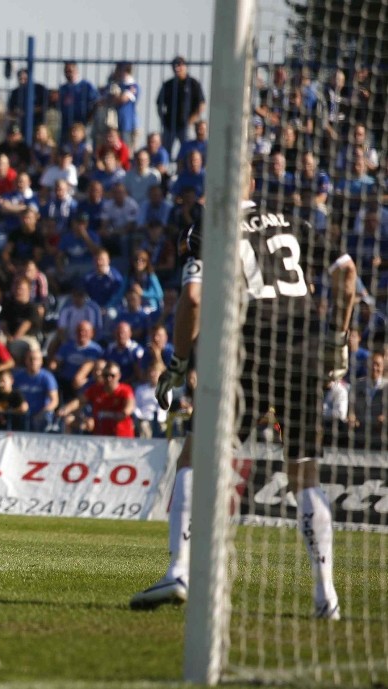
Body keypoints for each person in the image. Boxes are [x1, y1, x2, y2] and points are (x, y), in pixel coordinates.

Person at [130, 181, 357, 621]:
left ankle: (180, 571)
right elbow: (346, 275)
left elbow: (193, 298)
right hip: (305, 353)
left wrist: (178, 361)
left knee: (197, 458)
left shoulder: (210, 227)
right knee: (304, 473)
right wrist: (337, 340)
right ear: (252, 182)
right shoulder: (295, 220)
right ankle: (325, 594)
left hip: (246, 356)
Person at [155, 56, 206, 158]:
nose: (177, 68)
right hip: (169, 125)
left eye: (180, 65)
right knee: (165, 152)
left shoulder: (193, 83)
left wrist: (191, 121)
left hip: (185, 125)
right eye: (175, 66)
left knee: (187, 151)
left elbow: (201, 104)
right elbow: (159, 103)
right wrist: (163, 119)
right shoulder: (168, 84)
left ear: (185, 66)